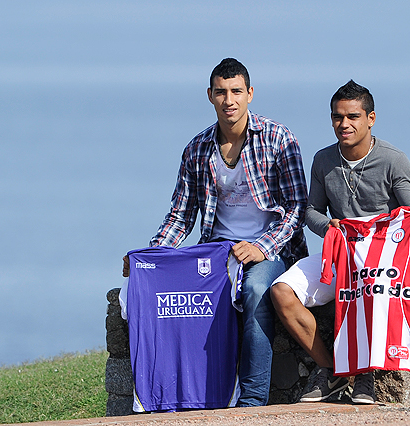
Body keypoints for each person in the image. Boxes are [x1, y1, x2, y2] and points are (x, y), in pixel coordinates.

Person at [124, 58, 309, 407]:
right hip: (216, 252)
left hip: (272, 249)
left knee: (256, 289)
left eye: (237, 91)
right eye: (221, 92)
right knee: (176, 298)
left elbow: (298, 208)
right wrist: (151, 257)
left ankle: (252, 401)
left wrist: (261, 248)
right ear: (210, 95)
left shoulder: (279, 138)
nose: (229, 100)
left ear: (250, 94)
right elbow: (181, 214)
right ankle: (190, 392)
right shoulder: (197, 149)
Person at [270, 80, 410, 404]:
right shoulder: (323, 160)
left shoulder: (393, 159)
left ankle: (365, 375)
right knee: (281, 292)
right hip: (337, 255)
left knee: (370, 292)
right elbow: (311, 211)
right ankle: (331, 370)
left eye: (353, 116)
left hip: (378, 260)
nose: (344, 124)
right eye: (337, 117)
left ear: (370, 118)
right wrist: (328, 226)